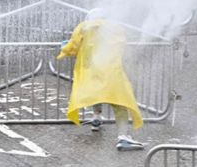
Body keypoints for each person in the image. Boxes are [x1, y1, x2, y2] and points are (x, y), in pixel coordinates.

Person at [56, 8, 145, 152]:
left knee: (96, 93)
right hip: (111, 71)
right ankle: (123, 137)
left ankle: (96, 117)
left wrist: (63, 48)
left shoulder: (83, 27)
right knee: (119, 103)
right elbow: (123, 46)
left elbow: (72, 48)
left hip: (91, 70)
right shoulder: (116, 28)